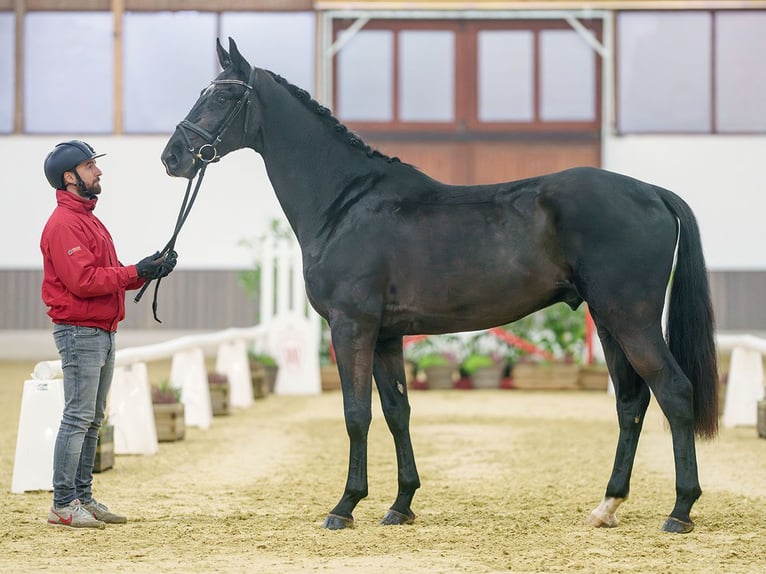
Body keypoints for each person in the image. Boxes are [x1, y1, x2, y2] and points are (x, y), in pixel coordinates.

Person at [40, 140, 177, 529]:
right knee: (78, 416)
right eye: (89, 167)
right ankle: (63, 503)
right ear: (70, 178)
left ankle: (82, 496)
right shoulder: (65, 224)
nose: (98, 172)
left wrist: (149, 269)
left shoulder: (88, 221)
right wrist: (137, 271)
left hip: (99, 328)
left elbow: (109, 273)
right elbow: (85, 281)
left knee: (93, 417)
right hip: (80, 330)